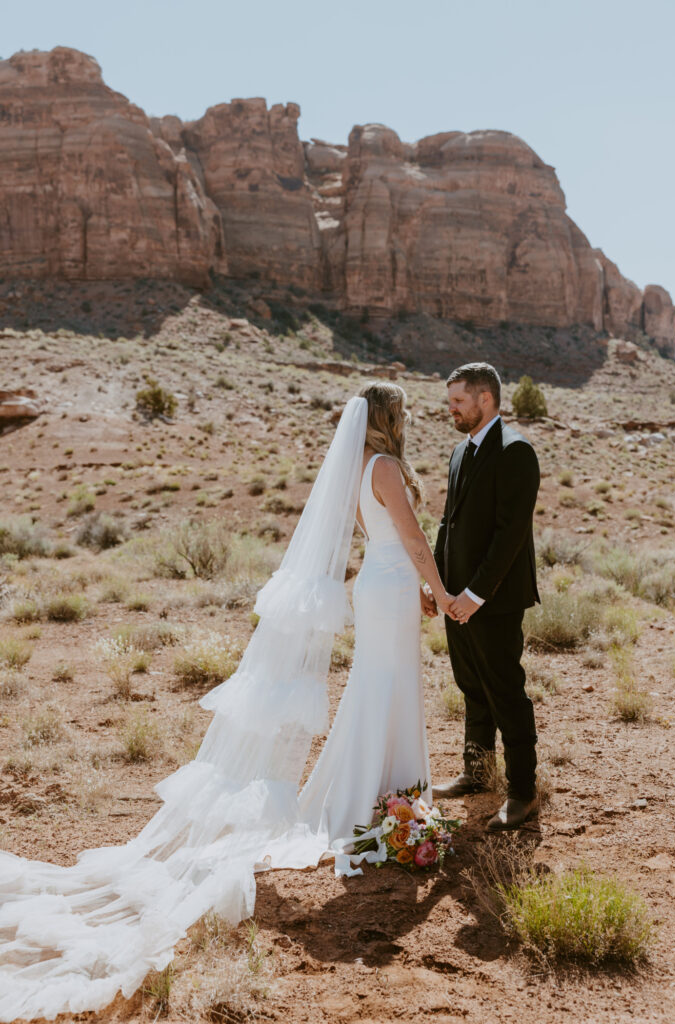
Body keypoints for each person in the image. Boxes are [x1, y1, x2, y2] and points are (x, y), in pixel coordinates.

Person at [0, 382, 456, 1022]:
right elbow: (412, 542)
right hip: (394, 584)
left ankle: (378, 793)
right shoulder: (383, 465)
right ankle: (380, 797)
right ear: (389, 417)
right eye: (402, 411)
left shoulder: (358, 468)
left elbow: (390, 541)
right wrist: (440, 590)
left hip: (381, 587)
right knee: (386, 688)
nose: (407, 419)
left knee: (379, 689)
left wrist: (420, 588)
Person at [429, 362, 541, 831]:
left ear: (485, 400)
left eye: (458, 401)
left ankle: (522, 792)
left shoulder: (516, 452)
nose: (450, 409)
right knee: (471, 685)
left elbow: (509, 536)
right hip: (456, 597)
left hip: (492, 600)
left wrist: (475, 594)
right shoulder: (459, 451)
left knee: (504, 692)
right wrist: (432, 583)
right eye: (450, 401)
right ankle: (476, 774)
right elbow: (446, 522)